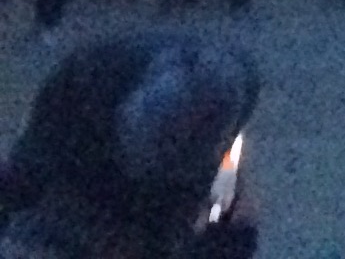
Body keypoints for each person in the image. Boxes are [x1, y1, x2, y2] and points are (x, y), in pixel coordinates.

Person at [0, 29, 260, 259]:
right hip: (80, 185)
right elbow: (30, 166)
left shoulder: (234, 91)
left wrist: (222, 226)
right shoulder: (88, 76)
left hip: (169, 205)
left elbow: (223, 179)